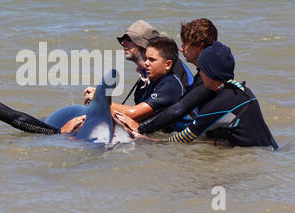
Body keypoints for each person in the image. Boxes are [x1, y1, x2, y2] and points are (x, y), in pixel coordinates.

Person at [115, 41, 279, 149]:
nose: (199, 73)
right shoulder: (239, 89)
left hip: (256, 155)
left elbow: (183, 138)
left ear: (208, 72)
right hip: (269, 149)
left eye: (201, 68)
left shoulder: (219, 103)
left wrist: (143, 136)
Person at [84, 20, 193, 124]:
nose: (123, 43)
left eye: (128, 39)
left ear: (143, 44)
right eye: (122, 39)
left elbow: (134, 113)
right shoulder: (146, 77)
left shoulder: (171, 76)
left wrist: (99, 99)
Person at [138, 18, 219, 133]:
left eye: (185, 44)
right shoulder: (204, 74)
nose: (181, 49)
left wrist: (141, 128)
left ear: (199, 47)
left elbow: (179, 109)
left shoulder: (209, 78)